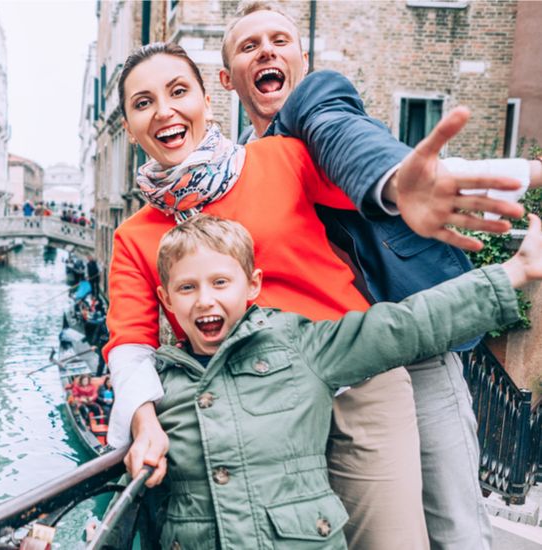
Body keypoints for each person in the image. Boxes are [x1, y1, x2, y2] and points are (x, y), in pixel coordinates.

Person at [103, 41, 540, 547]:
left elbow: (387, 180)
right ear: (131, 127)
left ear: (205, 99)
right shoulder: (134, 236)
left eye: (178, 91)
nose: (164, 111)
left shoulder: (279, 158)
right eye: (143, 102)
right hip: (256, 415)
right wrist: (143, 419)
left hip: (356, 384)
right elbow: (130, 346)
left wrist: (518, 176)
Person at [149, 213, 541, 550]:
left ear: (252, 285)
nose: (204, 300)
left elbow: (405, 325)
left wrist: (515, 272)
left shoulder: (299, 345)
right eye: (187, 287)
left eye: (220, 283)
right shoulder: (157, 388)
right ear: (166, 298)